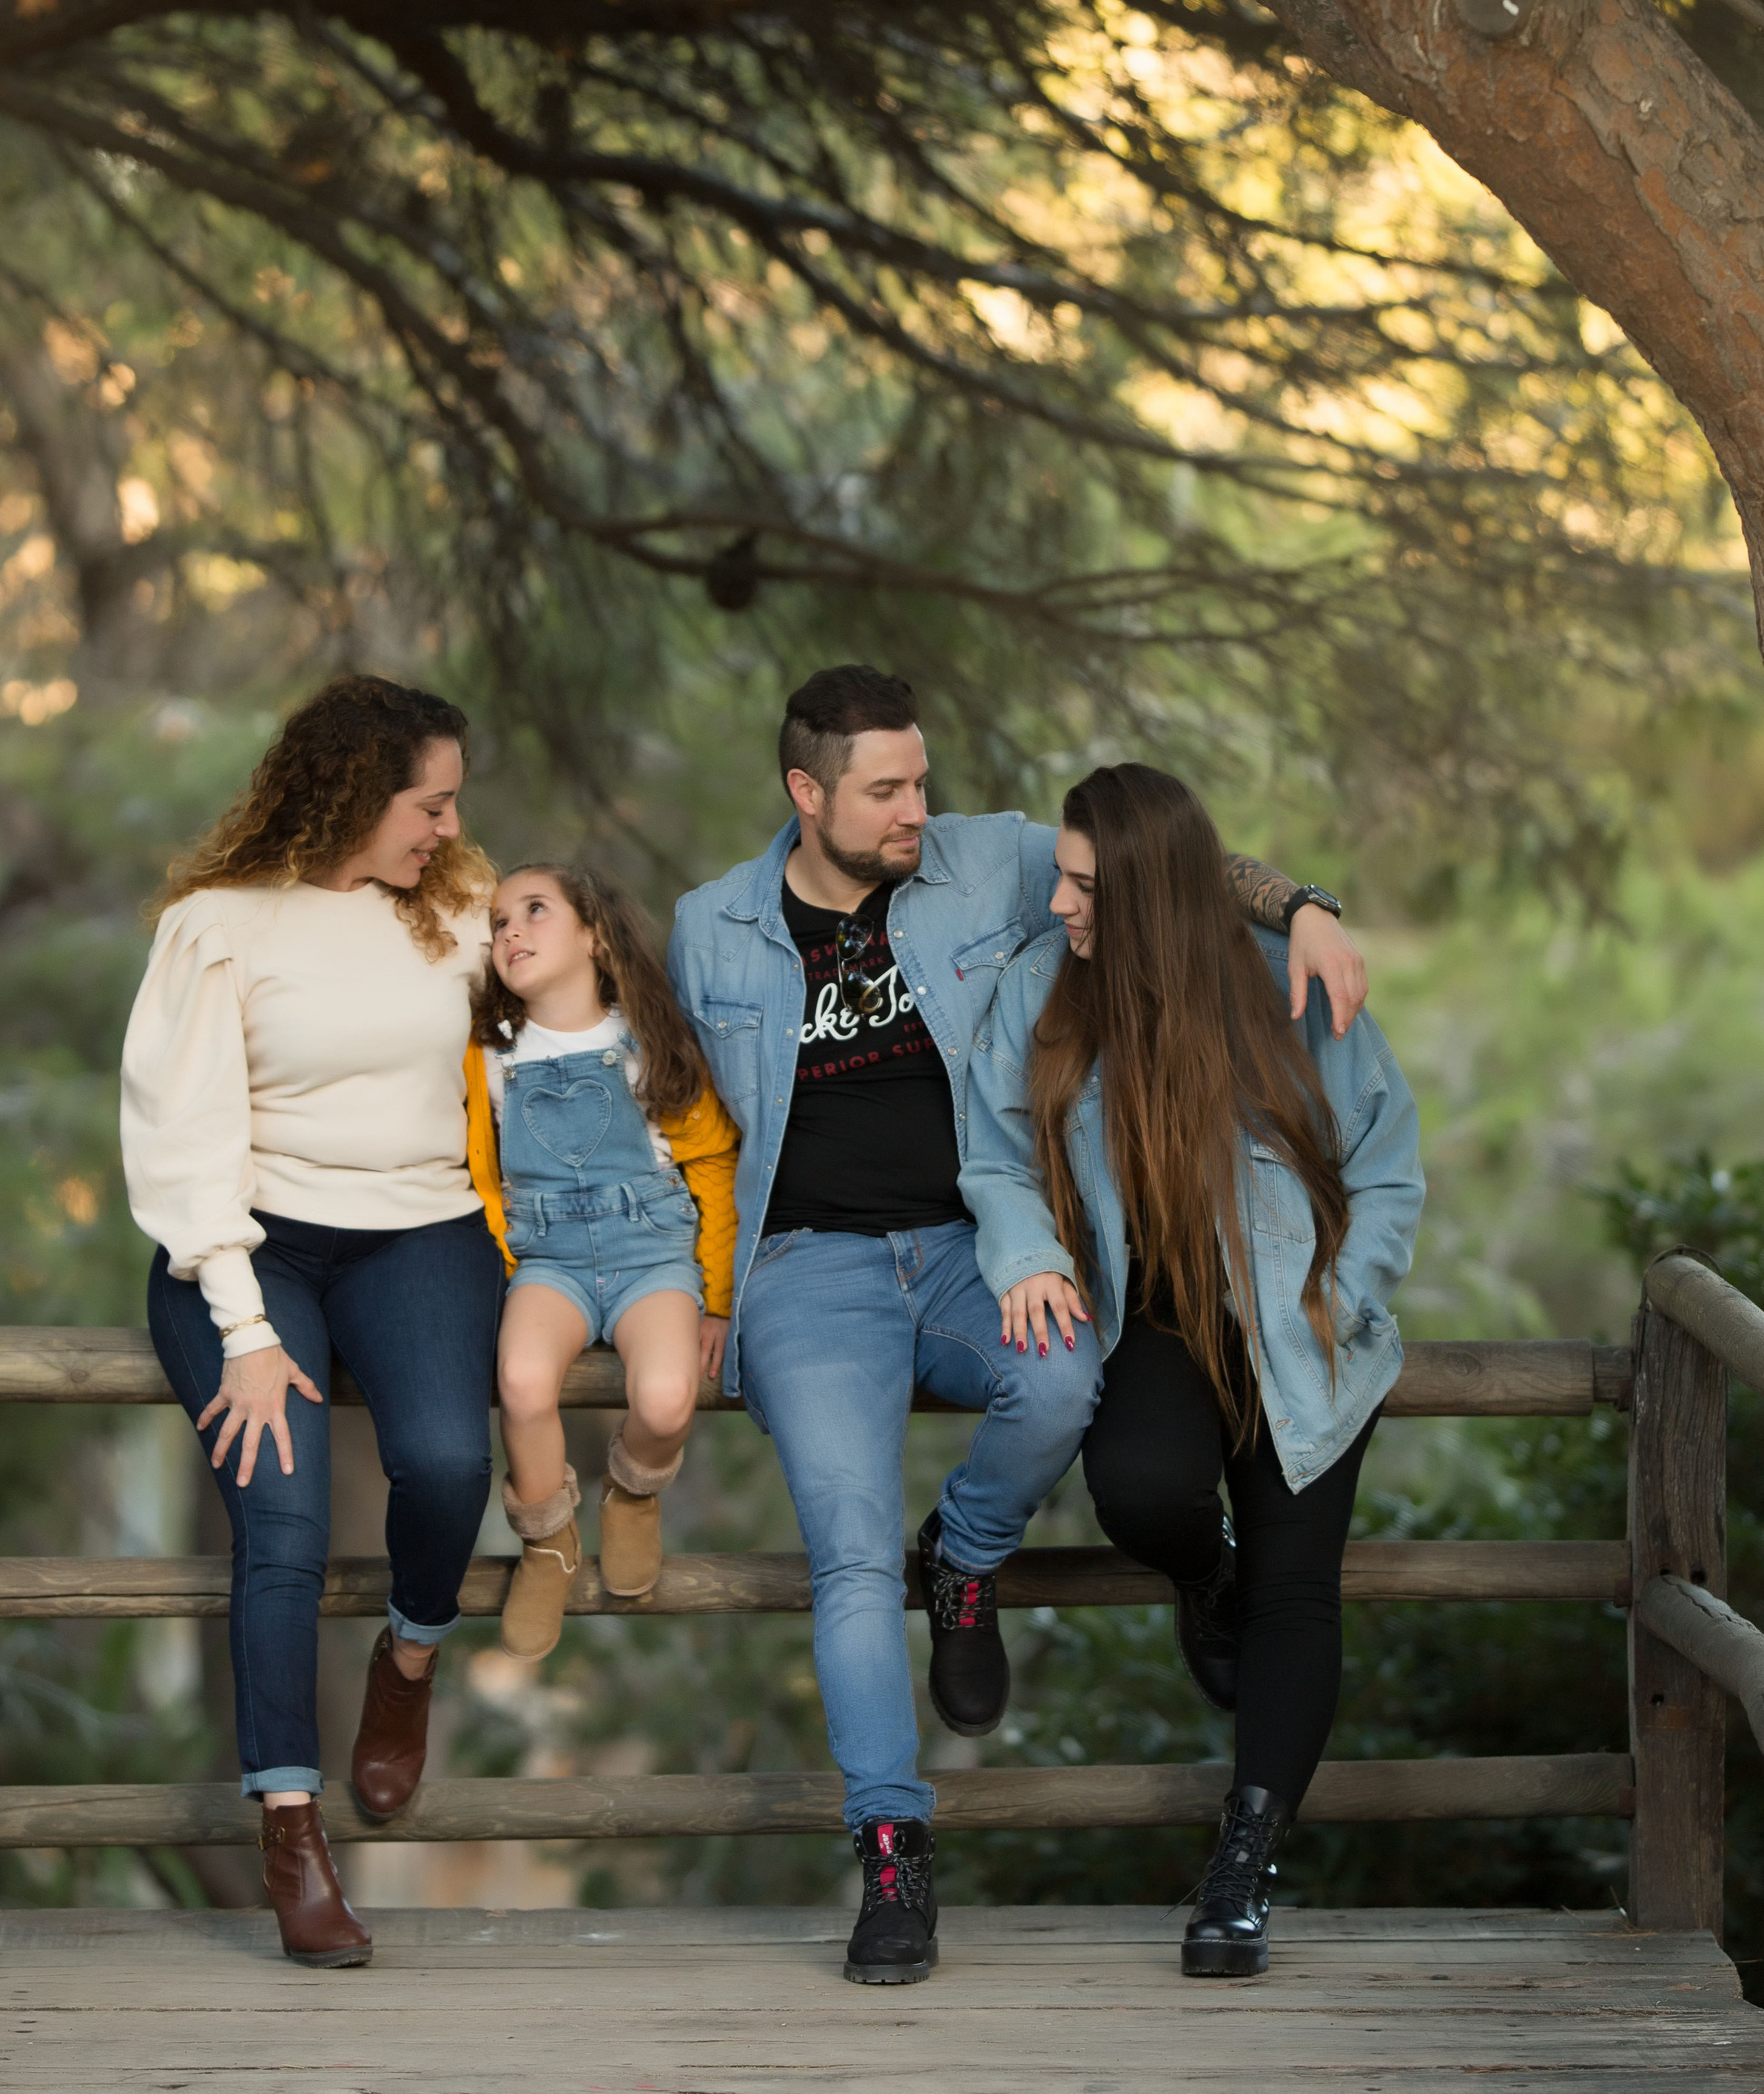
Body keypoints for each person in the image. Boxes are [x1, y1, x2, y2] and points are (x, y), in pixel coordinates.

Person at [668, 665, 1370, 1987]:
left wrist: (1309, 909)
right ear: (805, 792)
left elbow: (1172, 859)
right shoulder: (709, 928)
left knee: (1061, 1388)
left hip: (975, 1251)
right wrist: (688, 1293)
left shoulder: (980, 861)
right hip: (803, 1271)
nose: (915, 809)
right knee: (847, 1548)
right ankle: (892, 1848)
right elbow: (679, 1129)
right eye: (884, 789)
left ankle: (971, 1552)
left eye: (922, 779)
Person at [961, 763, 1423, 1980]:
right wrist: (1024, 1255)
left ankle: (1242, 1866)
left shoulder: (1291, 990)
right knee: (1143, 1493)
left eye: (1080, 883)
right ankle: (1200, 1572)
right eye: (1060, 875)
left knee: (1298, 1590)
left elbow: (1387, 1165)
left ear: (1151, 893)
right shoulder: (1042, 991)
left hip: (1295, 1322)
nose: (1058, 901)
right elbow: (997, 1156)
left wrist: (1343, 1292)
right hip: (1155, 1317)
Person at [120, 675, 504, 1970]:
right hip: (249, 1240)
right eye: (429, 801)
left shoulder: (453, 914)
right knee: (280, 1515)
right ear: (353, 791)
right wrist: (243, 1325)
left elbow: (558, 1034)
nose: (449, 826)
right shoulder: (219, 925)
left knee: (451, 1463)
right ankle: (292, 1823)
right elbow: (183, 1140)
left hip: (421, 1227)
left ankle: (410, 1653)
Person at [462, 863, 739, 1645]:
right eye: (497, 922)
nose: (510, 930)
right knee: (519, 1381)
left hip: (651, 1252)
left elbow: (714, 1161)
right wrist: (503, 1259)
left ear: (593, 933)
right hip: (547, 1259)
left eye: (534, 910)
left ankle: (632, 1493)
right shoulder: (485, 1055)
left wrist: (714, 1296)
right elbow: (481, 1174)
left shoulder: (645, 1041)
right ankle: (547, 1543)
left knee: (662, 1399)